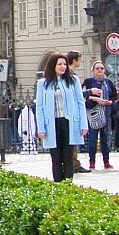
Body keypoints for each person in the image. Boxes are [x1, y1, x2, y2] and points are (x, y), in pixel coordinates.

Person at [34, 53, 87, 184]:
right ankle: (58, 183)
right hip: (52, 123)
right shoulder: (43, 83)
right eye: (59, 64)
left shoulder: (73, 81)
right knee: (56, 156)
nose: (63, 67)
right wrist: (40, 128)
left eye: (64, 64)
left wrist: (83, 124)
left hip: (68, 122)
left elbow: (80, 102)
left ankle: (68, 184)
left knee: (68, 155)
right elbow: (39, 107)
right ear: (53, 66)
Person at [81, 62, 115, 171]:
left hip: (106, 113)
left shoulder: (108, 82)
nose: (99, 70)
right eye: (97, 68)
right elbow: (82, 97)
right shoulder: (88, 82)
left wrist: (109, 102)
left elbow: (114, 95)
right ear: (93, 70)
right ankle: (92, 162)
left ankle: (106, 161)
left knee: (105, 138)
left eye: (102, 68)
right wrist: (95, 99)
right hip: (93, 113)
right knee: (92, 139)